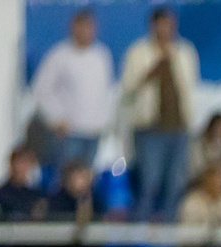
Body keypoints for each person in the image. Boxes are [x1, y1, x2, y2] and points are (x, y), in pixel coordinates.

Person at [119, 6, 199, 220]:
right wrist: (151, 72)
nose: (167, 28)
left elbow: (190, 88)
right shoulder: (138, 52)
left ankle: (168, 245)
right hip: (150, 129)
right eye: (163, 24)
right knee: (149, 185)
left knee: (175, 186)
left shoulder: (185, 51)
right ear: (153, 25)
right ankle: (141, 245)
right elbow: (127, 88)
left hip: (179, 128)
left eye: (171, 24)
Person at [29, 9, 115, 176]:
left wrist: (105, 122)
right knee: (67, 178)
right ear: (73, 28)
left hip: (94, 132)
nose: (85, 31)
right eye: (81, 27)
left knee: (87, 180)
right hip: (69, 133)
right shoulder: (60, 55)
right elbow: (41, 90)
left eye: (89, 27)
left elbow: (105, 92)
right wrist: (56, 119)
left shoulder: (101, 56)